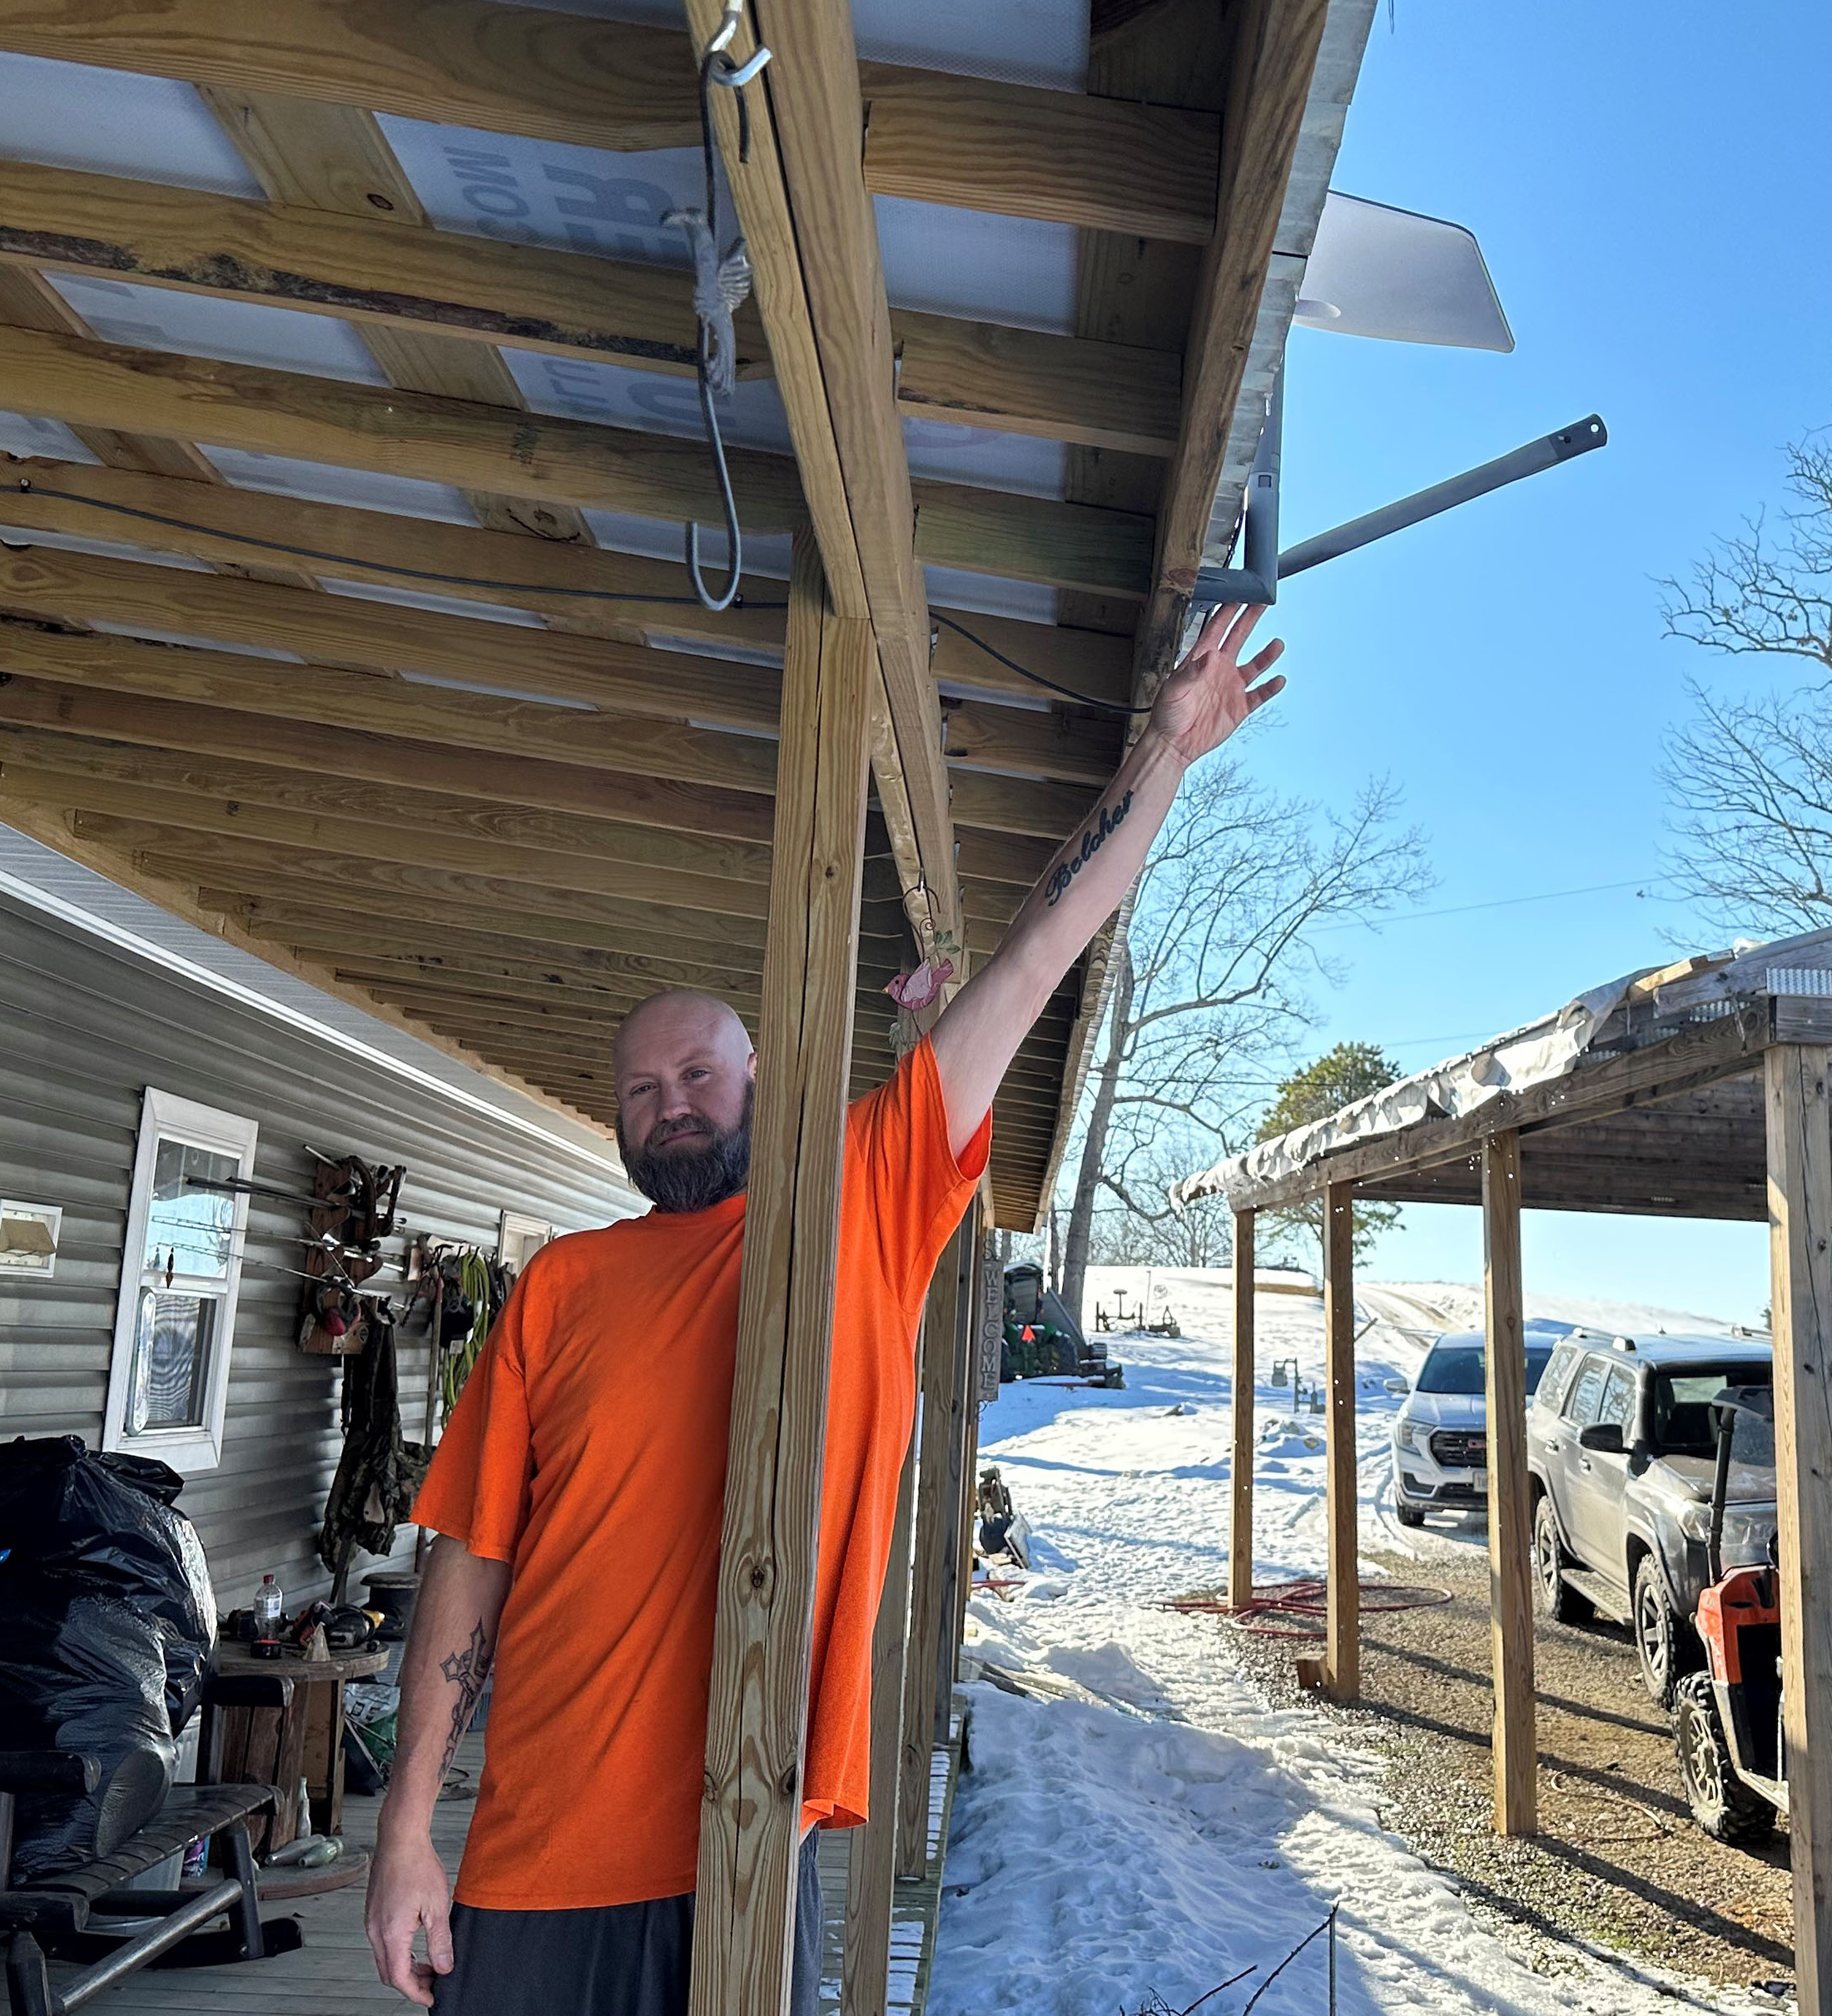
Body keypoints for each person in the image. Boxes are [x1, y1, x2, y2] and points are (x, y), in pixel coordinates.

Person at [363, 605, 1288, 2013]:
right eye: (640, 1089)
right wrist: (403, 1829)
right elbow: (471, 1562)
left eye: (701, 1075)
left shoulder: (862, 1191)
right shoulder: (559, 1286)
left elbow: (1038, 955)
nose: (671, 1104)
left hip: (747, 1829)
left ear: (764, 1080)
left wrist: (1159, 761)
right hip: (533, 1854)